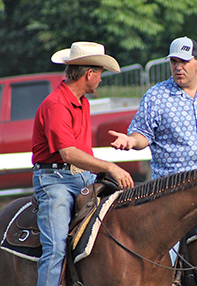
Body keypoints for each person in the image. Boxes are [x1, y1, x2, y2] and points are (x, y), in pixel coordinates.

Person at [109, 36, 197, 263]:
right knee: (163, 253)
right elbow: (142, 135)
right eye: (174, 62)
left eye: (184, 62)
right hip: (172, 188)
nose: (178, 67)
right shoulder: (157, 96)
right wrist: (131, 141)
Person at [32, 41, 134, 286]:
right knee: (55, 248)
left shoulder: (81, 101)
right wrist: (109, 166)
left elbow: (78, 153)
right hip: (54, 181)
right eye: (100, 73)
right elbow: (68, 153)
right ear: (89, 74)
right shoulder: (57, 104)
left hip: (81, 177)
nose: (100, 79)